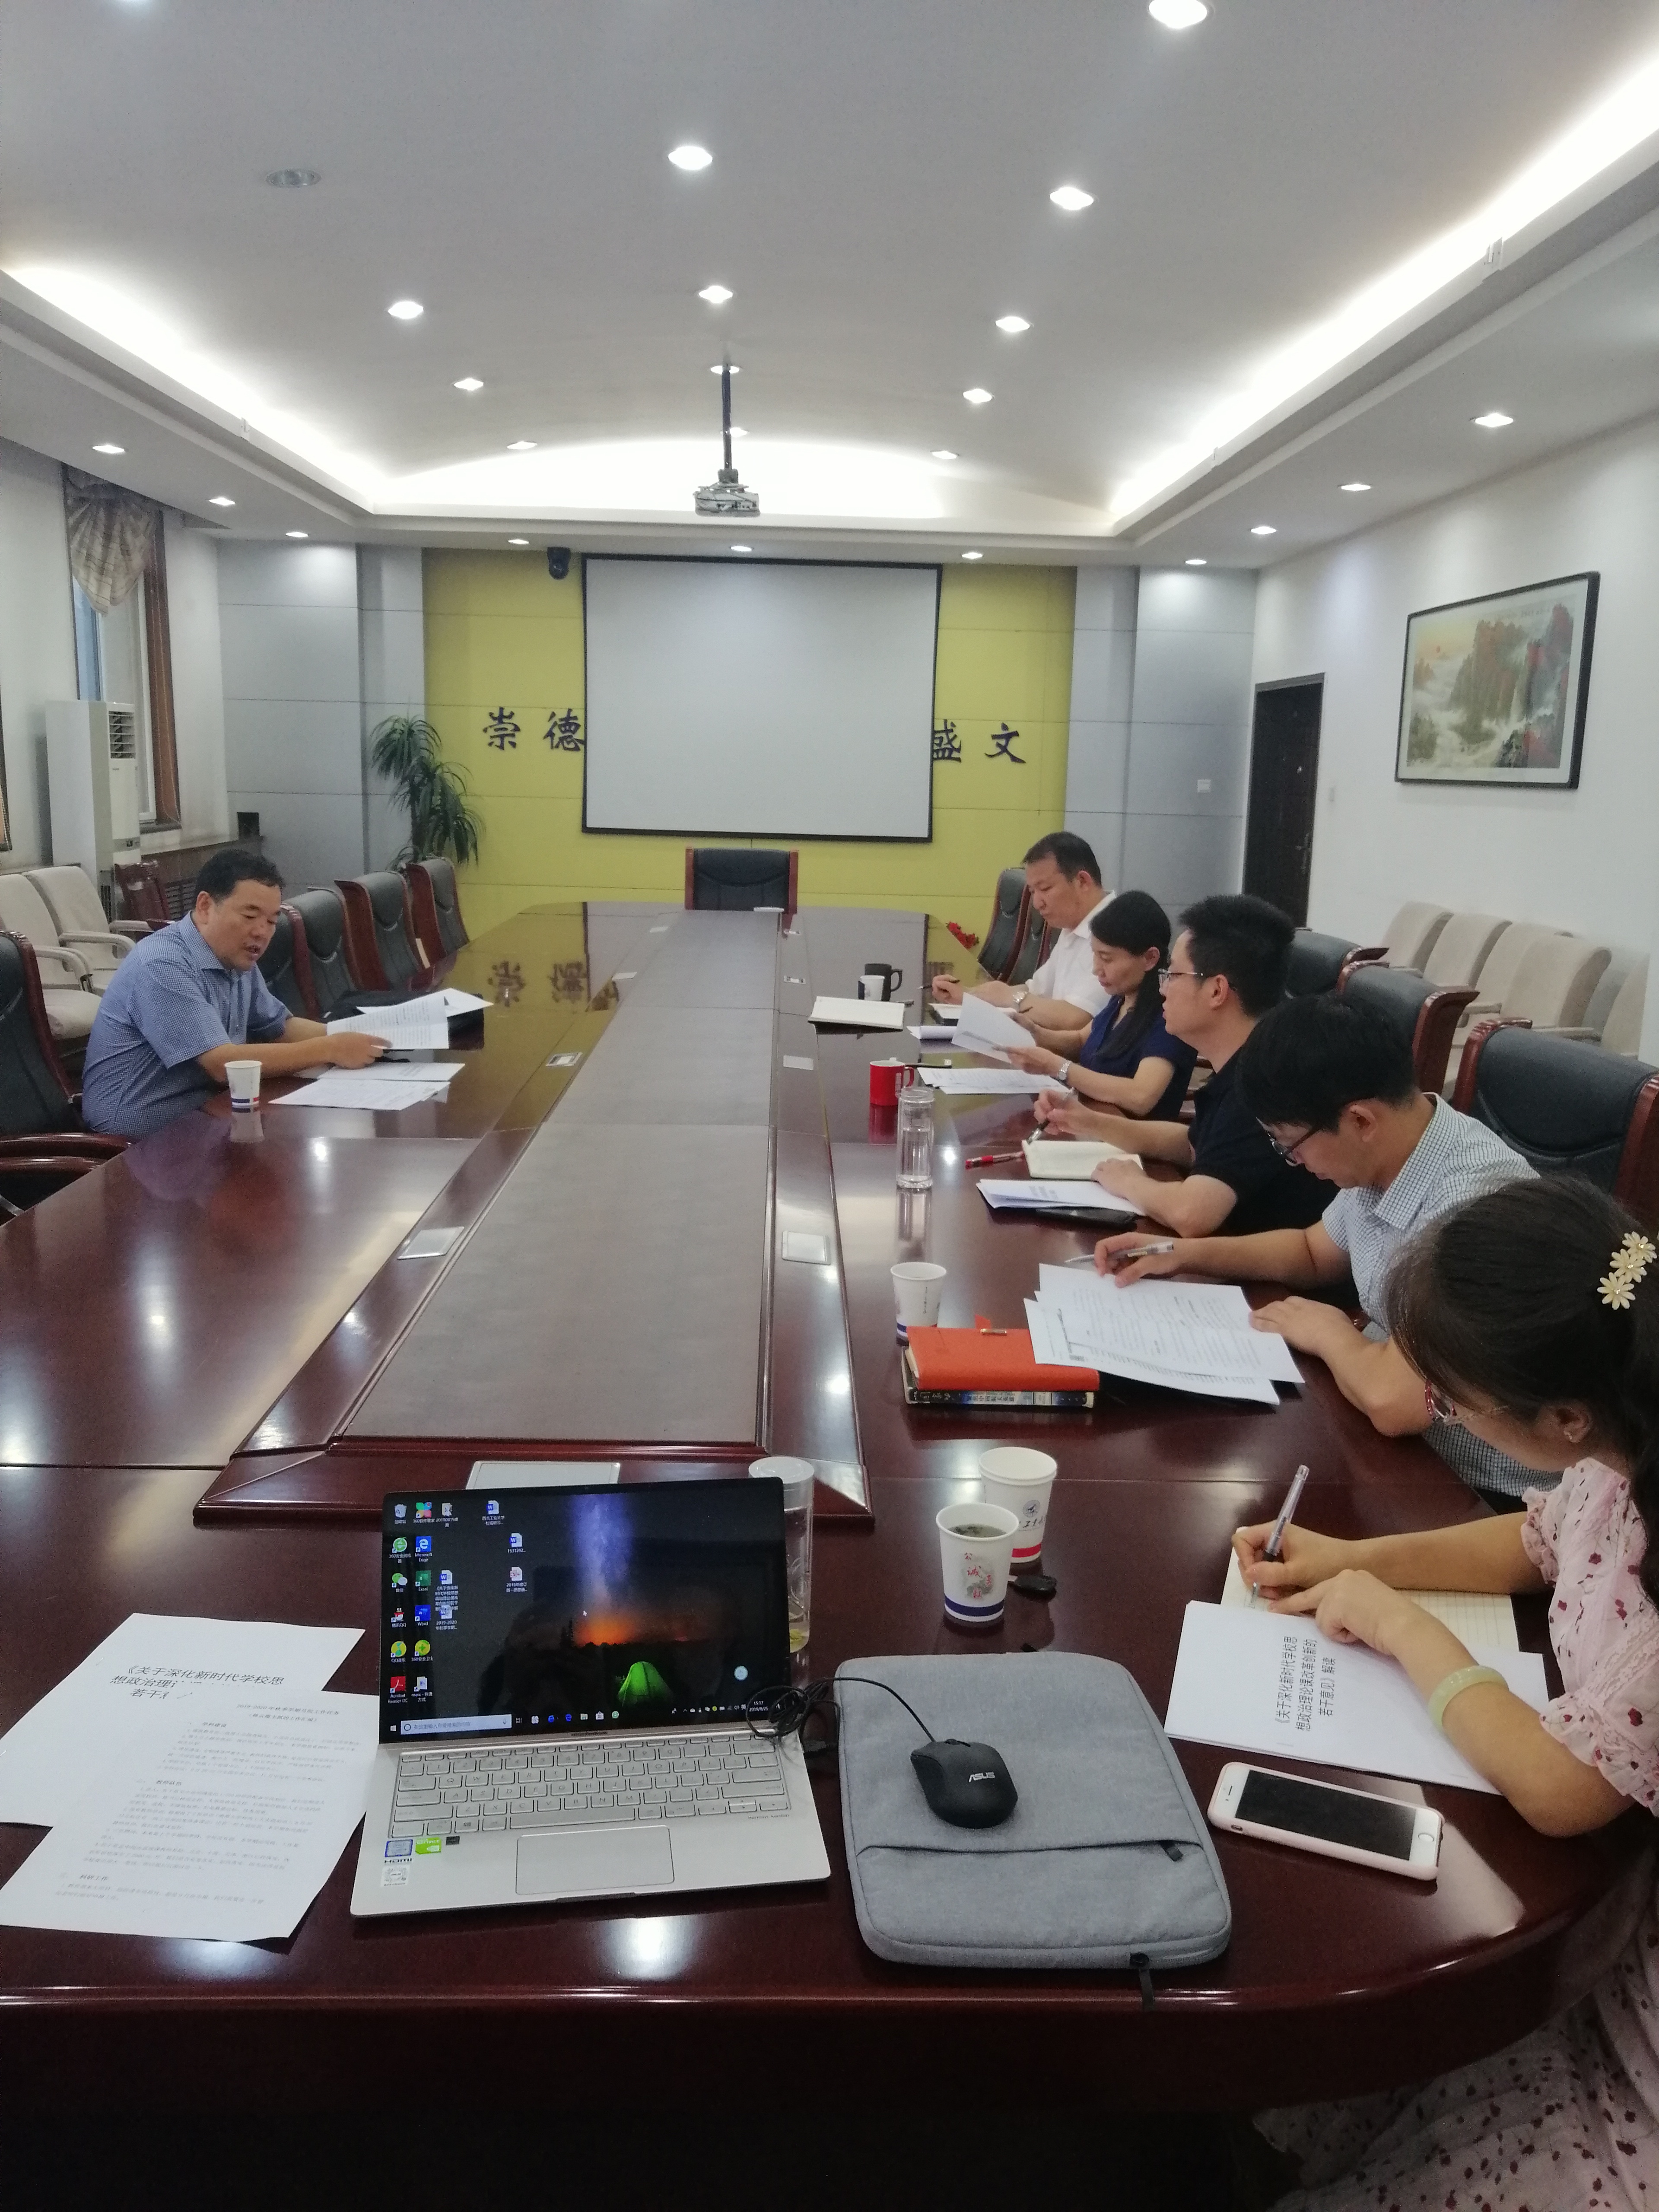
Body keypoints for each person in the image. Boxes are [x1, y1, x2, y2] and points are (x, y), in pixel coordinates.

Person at [1233, 1176, 1659, 2210]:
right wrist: (1358, 1555)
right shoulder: (1617, 1446)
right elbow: (1536, 1538)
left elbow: (1563, 1789)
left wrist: (1398, 1623)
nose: (1447, 1416)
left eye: (1458, 1404)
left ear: (1563, 1416)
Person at [1095, 990, 1539, 1501]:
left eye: (1290, 1145)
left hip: (1472, 1489)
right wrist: (1183, 1255)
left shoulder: (1472, 1205)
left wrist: (1330, 1332)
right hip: (1382, 1437)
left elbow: (1395, 1401)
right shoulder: (1390, 1152)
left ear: (1361, 1121)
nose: (1295, 1161)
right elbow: (1312, 1251)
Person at [1034, 892, 1335, 1237]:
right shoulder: (1247, 1059)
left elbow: (1191, 1214)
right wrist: (1088, 1121)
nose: (1163, 989)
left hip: (1257, 1267)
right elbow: (1194, 1145)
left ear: (1217, 991)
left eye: (1174, 975)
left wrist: (1130, 1182)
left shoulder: (1264, 1083)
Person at [82, 849, 387, 1139]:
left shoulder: (235, 958)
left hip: (210, 1113)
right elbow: (222, 1064)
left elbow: (280, 1027)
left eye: (271, 921)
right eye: (250, 916)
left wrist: (364, 1037)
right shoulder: (162, 964)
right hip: (141, 1140)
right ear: (205, 907)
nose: (262, 932)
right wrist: (331, 1048)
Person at [1001, 890, 1196, 1122]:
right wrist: (1033, 1032)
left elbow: (1141, 1096)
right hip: (1090, 1122)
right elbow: (1081, 1040)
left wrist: (1059, 1068)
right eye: (1095, 955)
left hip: (1129, 1139)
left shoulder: (1168, 1014)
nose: (1096, 969)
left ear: (1150, 958)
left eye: (1107, 959)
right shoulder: (1122, 997)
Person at [930, 831, 1111, 1035]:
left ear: (1083, 881)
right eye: (1033, 892)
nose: (1037, 904)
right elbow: (1036, 991)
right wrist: (970, 996)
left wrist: (1009, 997)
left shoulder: (1113, 932)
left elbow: (1076, 1019)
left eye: (1045, 889)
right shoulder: (1073, 926)